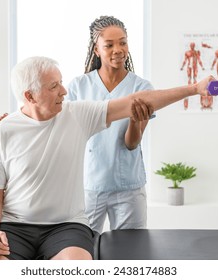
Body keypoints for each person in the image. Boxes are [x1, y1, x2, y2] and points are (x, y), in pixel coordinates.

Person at [0, 56, 213, 260]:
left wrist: (194, 89)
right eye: (54, 86)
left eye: (61, 82)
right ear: (30, 96)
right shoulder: (2, 131)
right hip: (14, 226)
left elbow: (137, 101)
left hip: (65, 226)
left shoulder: (77, 115)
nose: (64, 91)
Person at [66, 16, 154, 233]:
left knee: (130, 252)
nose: (118, 49)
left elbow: (132, 143)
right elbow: (64, 131)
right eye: (109, 45)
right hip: (90, 185)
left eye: (123, 42)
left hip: (129, 189)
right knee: (83, 247)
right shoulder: (78, 86)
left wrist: (135, 119)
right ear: (96, 50)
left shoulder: (142, 87)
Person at [180, 42, 205, 110]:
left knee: (194, 78)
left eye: (193, 45)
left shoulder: (196, 52)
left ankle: (194, 90)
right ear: (190, 46)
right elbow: (185, 60)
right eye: (191, 45)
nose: (192, 46)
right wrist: (182, 66)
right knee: (189, 78)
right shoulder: (187, 52)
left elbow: (199, 60)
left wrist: (202, 66)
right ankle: (189, 90)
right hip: (189, 66)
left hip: (194, 66)